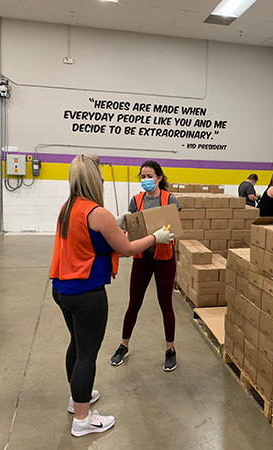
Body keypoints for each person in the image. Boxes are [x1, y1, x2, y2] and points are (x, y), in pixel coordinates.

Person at [50, 154, 174, 437]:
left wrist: (114, 225)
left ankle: (76, 398)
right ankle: (82, 418)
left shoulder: (67, 208)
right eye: (101, 176)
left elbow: (91, 239)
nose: (104, 181)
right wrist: (157, 238)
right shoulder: (97, 212)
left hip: (62, 288)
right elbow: (127, 248)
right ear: (94, 179)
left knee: (77, 344)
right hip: (86, 292)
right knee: (87, 354)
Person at [110, 160, 182, 372]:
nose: (145, 180)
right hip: (142, 258)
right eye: (142, 176)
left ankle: (170, 349)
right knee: (134, 303)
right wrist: (123, 228)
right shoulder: (136, 200)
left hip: (164, 258)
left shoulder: (170, 199)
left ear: (159, 178)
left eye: (149, 176)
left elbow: (174, 227)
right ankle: (124, 345)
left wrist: (160, 233)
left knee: (165, 303)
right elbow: (132, 230)